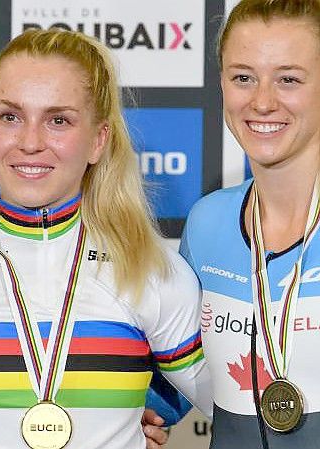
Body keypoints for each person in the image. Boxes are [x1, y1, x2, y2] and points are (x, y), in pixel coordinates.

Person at [0, 28, 213, 449]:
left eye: (58, 120)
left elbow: (245, 414)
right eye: (10, 116)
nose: (30, 142)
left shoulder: (150, 268)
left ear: (98, 140)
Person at [180, 0, 320, 447]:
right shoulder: (208, 222)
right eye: (243, 77)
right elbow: (178, 372)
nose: (262, 101)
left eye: (289, 79)